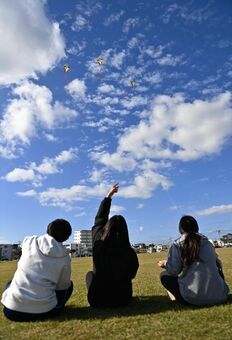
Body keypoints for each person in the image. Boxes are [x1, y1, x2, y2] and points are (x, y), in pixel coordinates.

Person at [1, 219, 73, 321]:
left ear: (48, 229)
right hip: (42, 312)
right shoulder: (65, 257)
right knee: (69, 286)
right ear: (67, 236)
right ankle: (55, 307)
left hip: (11, 311)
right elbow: (63, 286)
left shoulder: (29, 241)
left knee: (11, 283)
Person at [86, 184, 139, 307]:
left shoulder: (98, 243)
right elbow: (132, 273)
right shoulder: (128, 251)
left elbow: (99, 219)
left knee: (89, 274)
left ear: (107, 228)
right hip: (123, 299)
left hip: (98, 300)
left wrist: (108, 197)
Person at [158, 215, 229, 306]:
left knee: (164, 275)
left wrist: (165, 264)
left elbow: (173, 271)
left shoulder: (177, 245)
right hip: (220, 296)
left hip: (192, 298)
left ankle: (177, 297)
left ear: (181, 229)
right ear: (197, 227)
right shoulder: (208, 243)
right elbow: (217, 264)